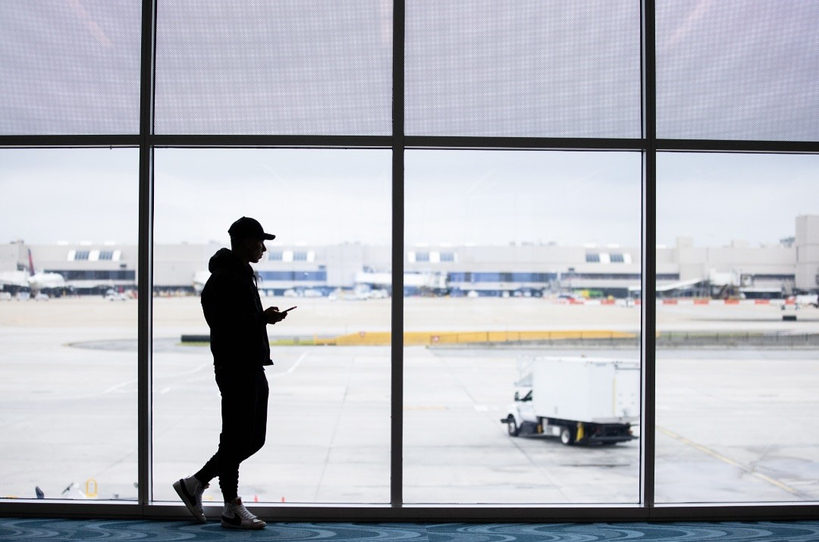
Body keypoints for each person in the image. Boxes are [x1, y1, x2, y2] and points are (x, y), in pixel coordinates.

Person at [174, 216, 288, 530]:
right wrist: (261, 319)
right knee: (237, 438)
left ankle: (195, 483)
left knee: (252, 439)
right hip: (235, 366)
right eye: (260, 242)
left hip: (250, 364)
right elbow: (225, 326)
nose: (264, 248)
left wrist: (264, 319)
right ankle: (230, 507)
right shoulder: (225, 279)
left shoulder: (240, 276)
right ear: (245, 241)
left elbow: (240, 321)